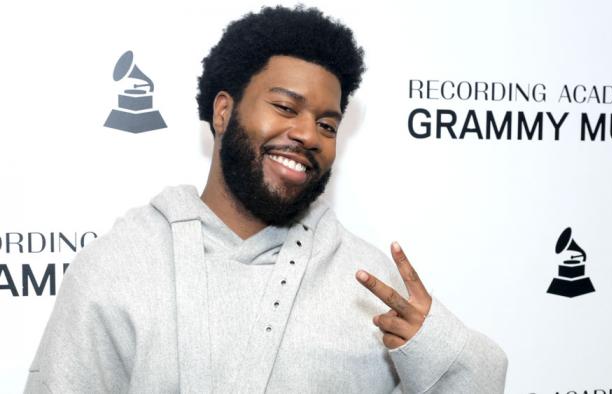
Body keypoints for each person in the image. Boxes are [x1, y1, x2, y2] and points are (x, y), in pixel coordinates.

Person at [25, 6, 507, 393]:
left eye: (327, 125)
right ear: (223, 110)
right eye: (284, 107)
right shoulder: (120, 266)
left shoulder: (369, 282)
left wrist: (438, 348)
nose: (307, 135)